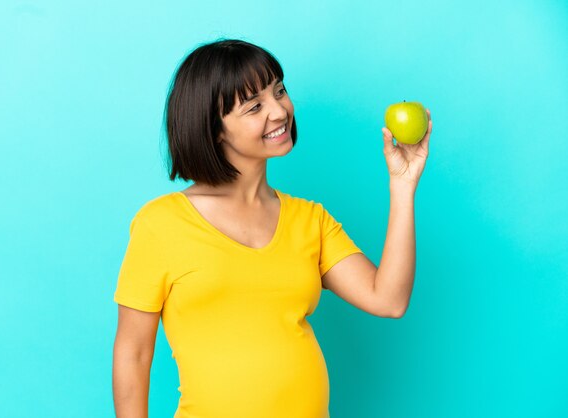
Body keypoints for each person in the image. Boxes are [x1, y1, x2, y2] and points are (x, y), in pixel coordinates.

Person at [112, 38, 432, 418]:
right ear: (214, 129)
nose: (280, 111)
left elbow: (388, 300)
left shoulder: (309, 219)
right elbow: (133, 353)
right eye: (254, 107)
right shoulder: (161, 224)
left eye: (279, 90)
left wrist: (402, 185)